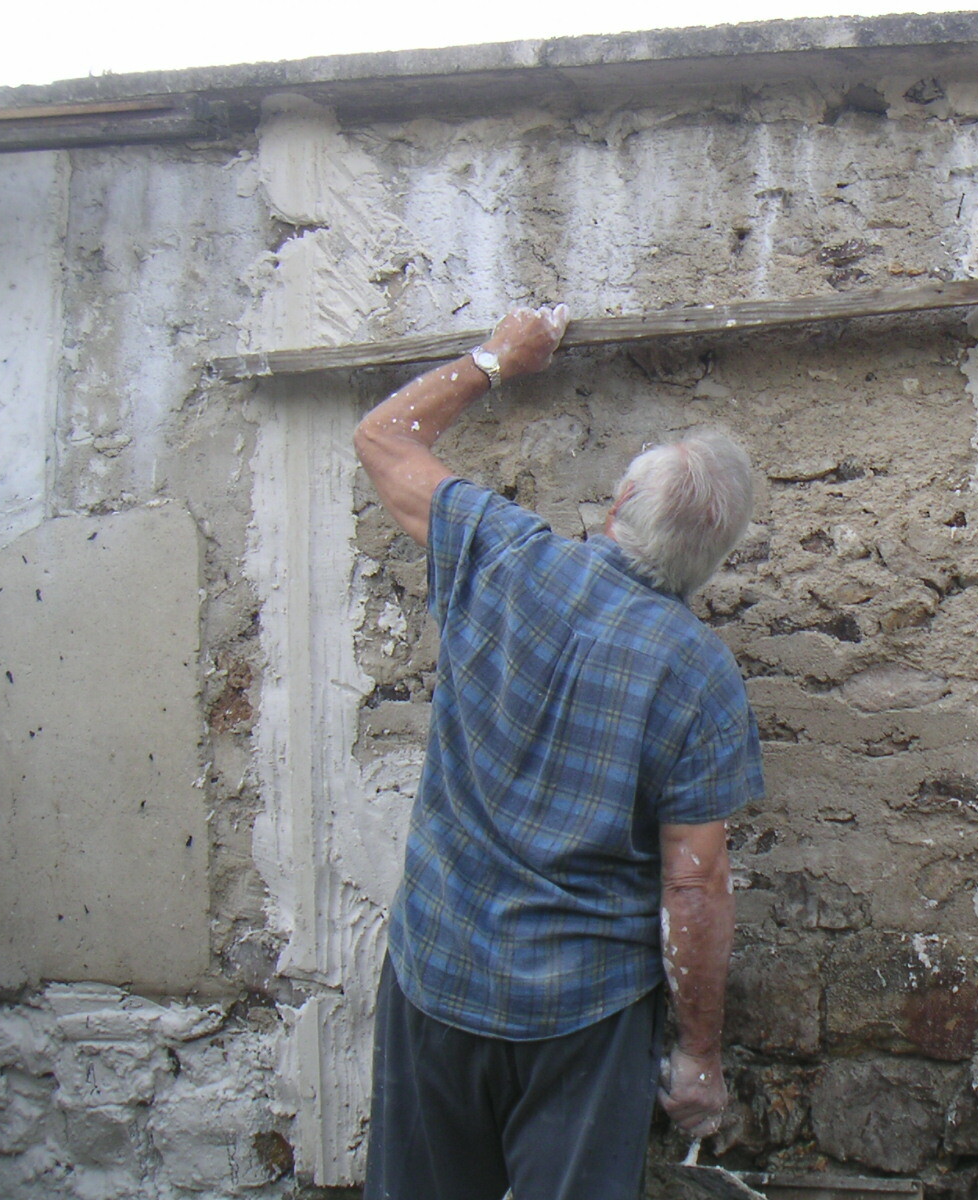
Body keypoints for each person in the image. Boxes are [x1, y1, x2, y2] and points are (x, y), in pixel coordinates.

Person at [353, 303, 765, 1200]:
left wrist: (498, 358)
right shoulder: (700, 675)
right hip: (584, 1017)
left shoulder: (501, 556)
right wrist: (699, 1056)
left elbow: (383, 436)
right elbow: (695, 887)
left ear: (617, 509)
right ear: (710, 561)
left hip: (440, 972)